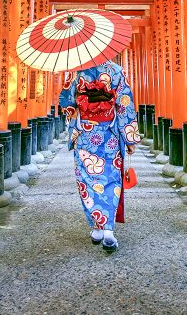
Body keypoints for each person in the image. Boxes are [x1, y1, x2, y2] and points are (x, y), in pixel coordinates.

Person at [59, 60, 141, 252]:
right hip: (109, 134)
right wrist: (129, 138)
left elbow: (66, 104)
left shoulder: (75, 71)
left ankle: (97, 227)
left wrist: (81, 107)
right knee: (110, 179)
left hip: (85, 134)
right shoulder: (116, 71)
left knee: (87, 179)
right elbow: (124, 105)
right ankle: (108, 230)